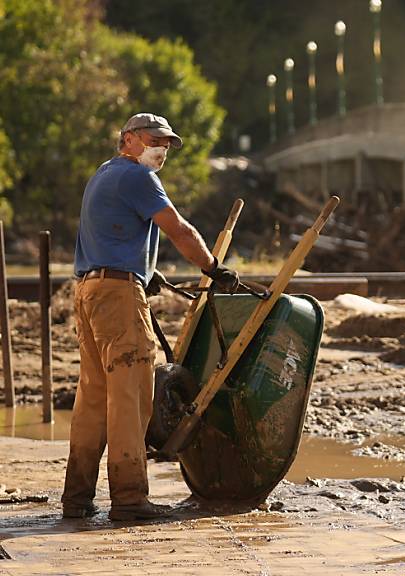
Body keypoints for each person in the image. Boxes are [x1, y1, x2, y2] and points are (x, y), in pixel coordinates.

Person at [62, 113, 240, 521]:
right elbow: (178, 229)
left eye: (167, 144)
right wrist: (213, 268)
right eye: (154, 140)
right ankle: (128, 499)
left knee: (93, 397)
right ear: (128, 139)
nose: (162, 149)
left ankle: (76, 497)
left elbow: (111, 232)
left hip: (90, 291)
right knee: (131, 395)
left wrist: (143, 271)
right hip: (118, 297)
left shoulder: (103, 175)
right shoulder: (139, 178)